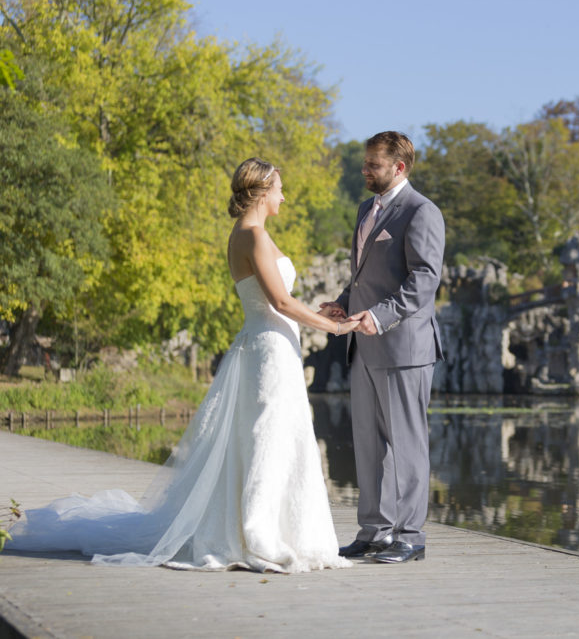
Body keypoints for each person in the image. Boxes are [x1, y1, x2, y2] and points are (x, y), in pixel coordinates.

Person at [8, 158, 357, 573]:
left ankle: (276, 528)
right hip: (268, 351)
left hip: (270, 347)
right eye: (280, 188)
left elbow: (279, 300)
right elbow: (281, 302)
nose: (284, 195)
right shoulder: (253, 236)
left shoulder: (244, 235)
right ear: (263, 192)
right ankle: (260, 533)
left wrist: (318, 317)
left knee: (274, 436)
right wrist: (334, 327)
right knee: (267, 438)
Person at [320, 131, 444, 564]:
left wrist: (379, 315)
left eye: (373, 164)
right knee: (368, 445)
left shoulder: (421, 212)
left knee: (407, 445)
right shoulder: (364, 209)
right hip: (364, 346)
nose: (365, 170)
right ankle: (374, 531)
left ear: (399, 167)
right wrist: (344, 302)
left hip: (405, 348)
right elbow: (364, 275)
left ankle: (411, 536)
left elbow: (424, 280)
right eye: (366, 162)